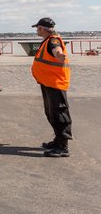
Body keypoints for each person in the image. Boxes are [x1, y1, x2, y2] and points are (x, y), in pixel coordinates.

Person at [31, 17, 72, 158]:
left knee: (59, 113)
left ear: (43, 29)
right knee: (51, 113)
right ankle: (57, 140)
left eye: (38, 28)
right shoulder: (47, 41)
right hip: (48, 83)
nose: (37, 30)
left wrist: (59, 55)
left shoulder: (53, 40)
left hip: (55, 83)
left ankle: (62, 146)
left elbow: (57, 50)